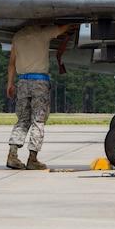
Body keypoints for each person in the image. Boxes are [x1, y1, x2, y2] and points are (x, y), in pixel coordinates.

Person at [5, 23, 77, 170]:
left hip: (23, 82)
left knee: (23, 119)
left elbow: (12, 62)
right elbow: (64, 28)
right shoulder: (43, 32)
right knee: (38, 119)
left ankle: (12, 155)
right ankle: (33, 158)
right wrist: (74, 23)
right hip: (39, 82)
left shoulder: (17, 36)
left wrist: (10, 84)